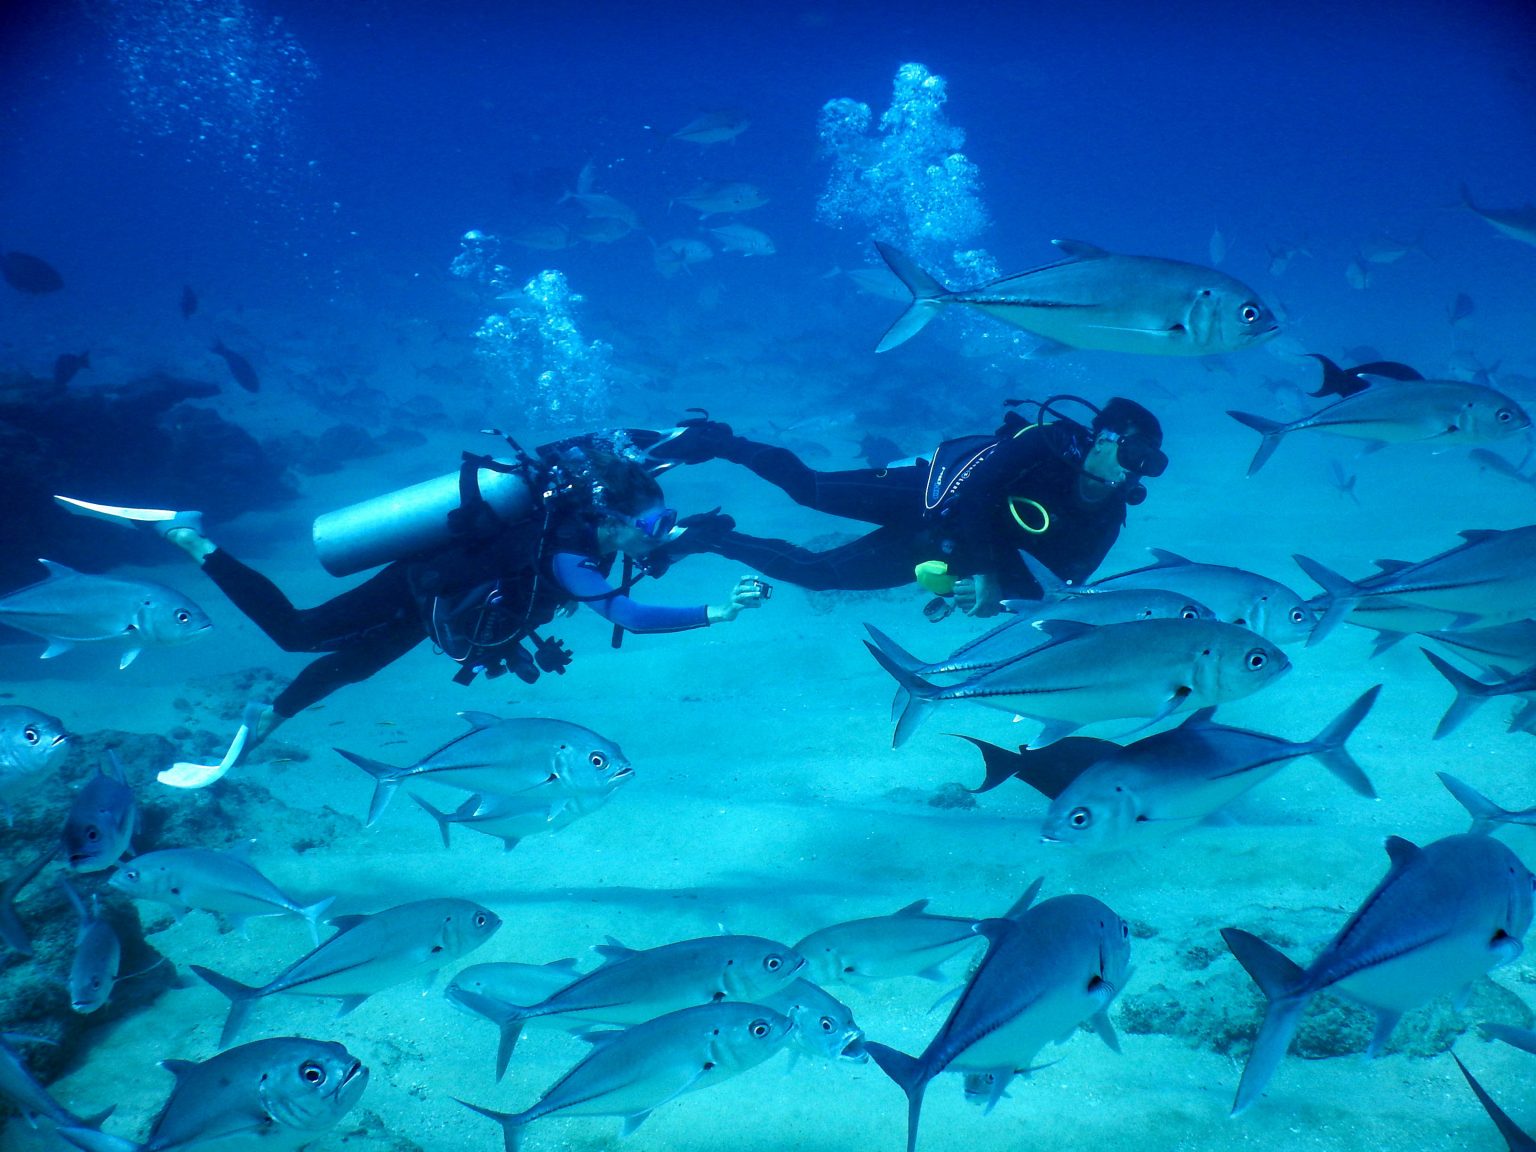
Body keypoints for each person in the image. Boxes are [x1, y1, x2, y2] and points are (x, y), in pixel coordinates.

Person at [62, 435, 767, 754]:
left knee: (357, 664)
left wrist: (682, 500)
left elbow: (646, 464)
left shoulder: (601, 523)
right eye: (649, 525)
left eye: (661, 521)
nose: (657, 534)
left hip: (443, 608)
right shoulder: (570, 555)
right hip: (423, 584)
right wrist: (718, 611)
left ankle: (271, 712)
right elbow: (630, 616)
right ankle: (193, 540)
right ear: (608, 517)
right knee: (298, 632)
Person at [650, 396, 1165, 618]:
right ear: (1100, 439)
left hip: (943, 551)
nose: (1131, 471)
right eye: (1129, 452)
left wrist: (988, 594)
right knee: (810, 489)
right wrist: (988, 572)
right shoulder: (1049, 444)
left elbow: (1063, 583)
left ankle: (712, 536)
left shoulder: (1106, 518)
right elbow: (981, 488)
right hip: (929, 496)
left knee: (820, 574)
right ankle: (716, 440)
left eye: (1144, 464)